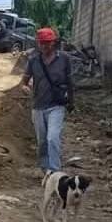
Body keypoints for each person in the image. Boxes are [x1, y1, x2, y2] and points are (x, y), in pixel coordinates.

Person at [21, 27, 73, 174]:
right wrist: (24, 87)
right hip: (38, 106)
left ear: (53, 43)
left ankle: (55, 171)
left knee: (52, 138)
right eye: (41, 43)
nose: (44, 46)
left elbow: (70, 81)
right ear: (38, 43)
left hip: (57, 105)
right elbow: (24, 81)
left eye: (47, 43)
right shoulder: (33, 61)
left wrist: (71, 101)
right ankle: (45, 170)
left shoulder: (64, 59)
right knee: (42, 141)